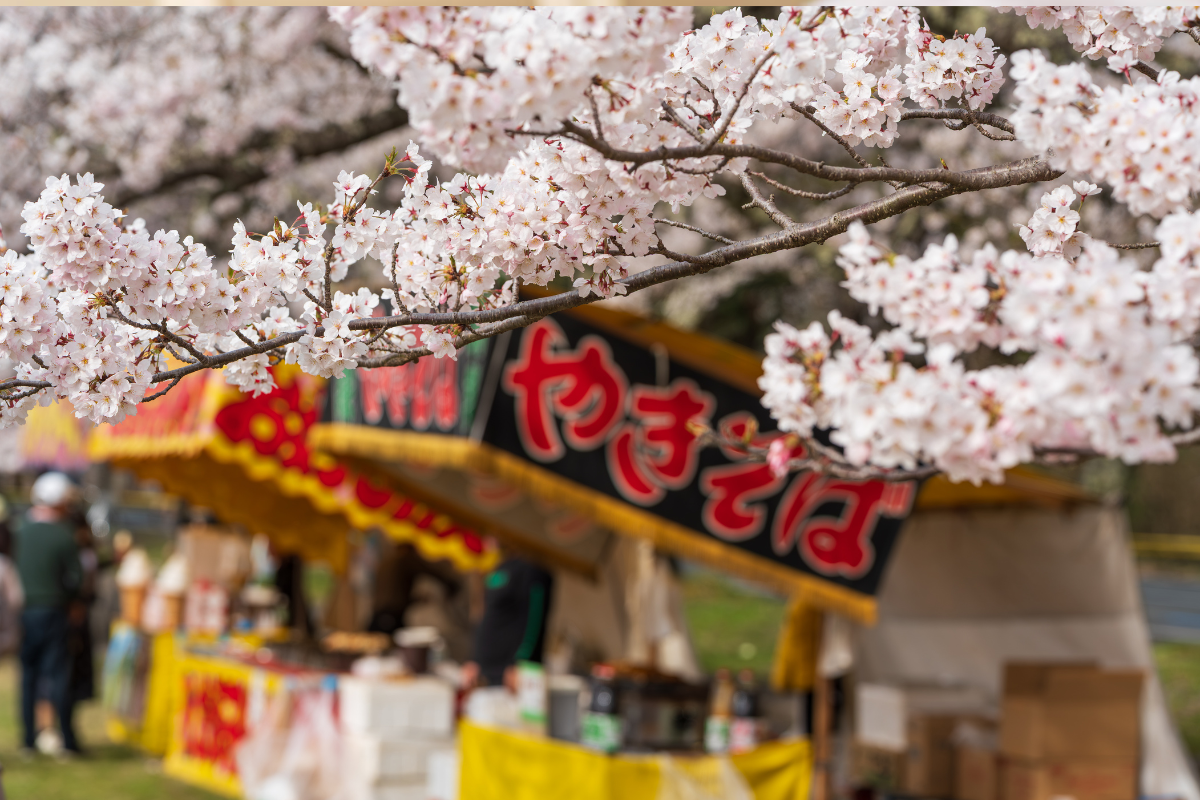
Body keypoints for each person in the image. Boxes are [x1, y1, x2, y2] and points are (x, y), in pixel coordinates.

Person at [15, 472, 82, 757]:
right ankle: (66, 739)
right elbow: (76, 579)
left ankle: (28, 740)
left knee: (28, 676)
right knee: (57, 675)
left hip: (23, 612)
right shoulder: (63, 534)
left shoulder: (20, 530)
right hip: (54, 611)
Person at [463, 554, 554, 689]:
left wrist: (520, 662)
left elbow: (534, 622)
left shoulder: (533, 570)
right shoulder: (499, 568)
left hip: (511, 675)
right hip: (484, 672)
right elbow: (486, 619)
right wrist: (474, 659)